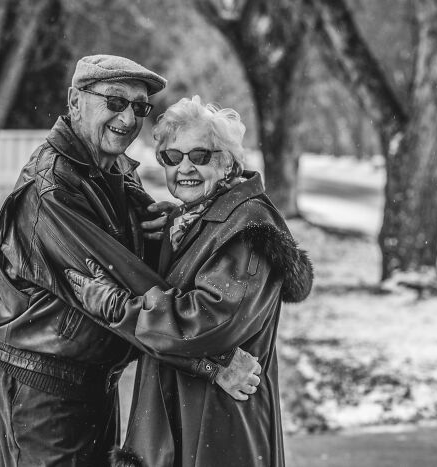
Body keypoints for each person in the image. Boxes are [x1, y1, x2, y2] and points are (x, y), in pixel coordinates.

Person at [0, 56, 261, 467]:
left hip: (91, 379)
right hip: (46, 390)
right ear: (75, 101)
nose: (128, 117)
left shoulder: (112, 169)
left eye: (139, 107)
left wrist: (168, 227)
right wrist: (213, 360)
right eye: (115, 101)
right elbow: (126, 283)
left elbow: (150, 264)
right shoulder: (53, 190)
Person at [66, 96, 314, 467]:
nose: (185, 167)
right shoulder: (196, 220)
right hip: (182, 416)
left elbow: (199, 324)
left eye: (200, 156)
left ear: (228, 162)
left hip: (216, 427)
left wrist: (112, 304)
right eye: (171, 157)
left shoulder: (246, 230)